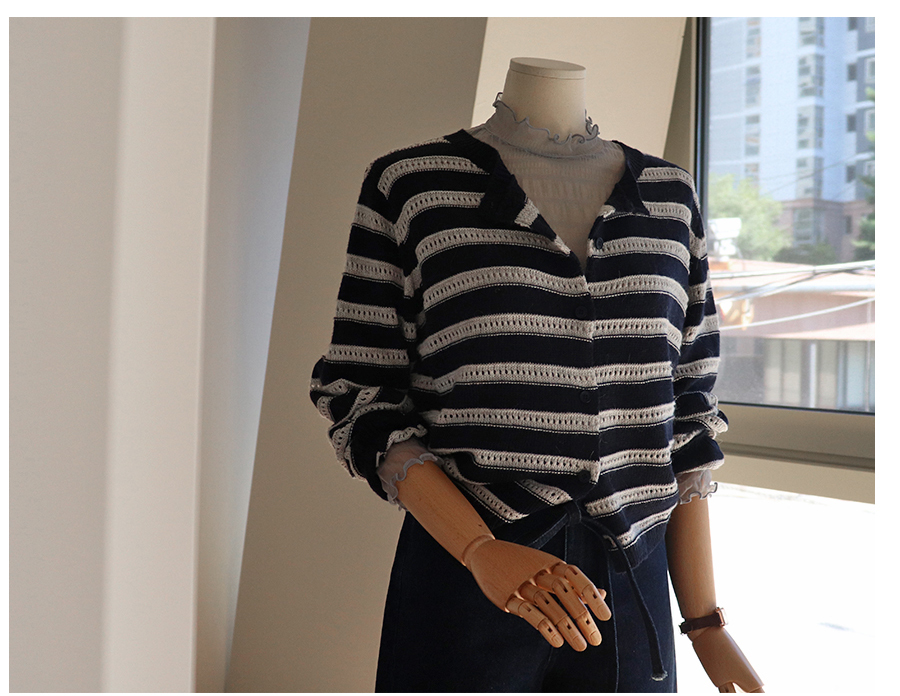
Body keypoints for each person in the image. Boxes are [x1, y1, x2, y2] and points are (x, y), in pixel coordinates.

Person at [310, 57, 763, 692]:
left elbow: (687, 417)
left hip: (630, 585)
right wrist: (479, 550)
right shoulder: (411, 186)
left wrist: (705, 622)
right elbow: (362, 392)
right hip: (468, 577)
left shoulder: (670, 198)